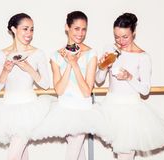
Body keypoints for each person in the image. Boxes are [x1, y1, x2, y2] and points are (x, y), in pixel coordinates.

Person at [95, 12, 164, 160]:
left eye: (125, 36)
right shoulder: (110, 49)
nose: (120, 40)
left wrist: (129, 77)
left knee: (126, 153)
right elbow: (99, 80)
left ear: (134, 33)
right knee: (121, 153)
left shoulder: (143, 57)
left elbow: (145, 90)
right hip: (110, 105)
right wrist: (103, 66)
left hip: (131, 109)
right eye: (117, 36)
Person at [31, 11, 107, 160]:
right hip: (64, 109)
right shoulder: (56, 55)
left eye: (84, 29)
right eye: (76, 28)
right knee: (78, 153)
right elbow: (59, 89)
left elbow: (86, 92)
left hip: (83, 110)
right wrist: (68, 65)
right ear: (67, 27)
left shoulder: (91, 53)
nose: (80, 33)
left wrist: (75, 64)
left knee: (73, 152)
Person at [0, 13, 50, 160]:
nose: (29, 33)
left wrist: (28, 68)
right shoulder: (1, 54)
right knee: (21, 154)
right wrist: (6, 70)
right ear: (13, 29)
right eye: (25, 29)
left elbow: (45, 84)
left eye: (31, 29)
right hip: (8, 108)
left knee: (13, 155)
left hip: (29, 108)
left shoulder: (37, 53)